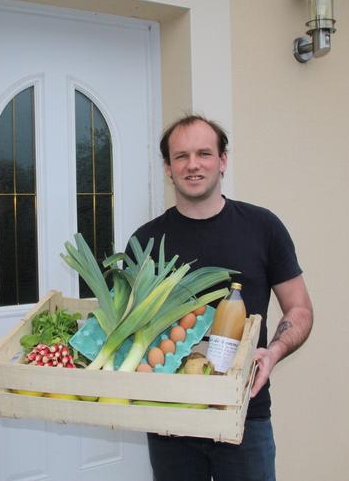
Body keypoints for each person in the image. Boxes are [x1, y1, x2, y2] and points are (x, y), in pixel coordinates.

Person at [129, 114, 314, 481]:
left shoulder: (263, 227)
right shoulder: (145, 242)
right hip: (170, 417)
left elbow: (300, 308)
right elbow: (132, 325)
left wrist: (273, 351)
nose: (193, 164)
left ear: (223, 160)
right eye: (181, 156)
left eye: (204, 153)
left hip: (244, 411)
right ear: (168, 167)